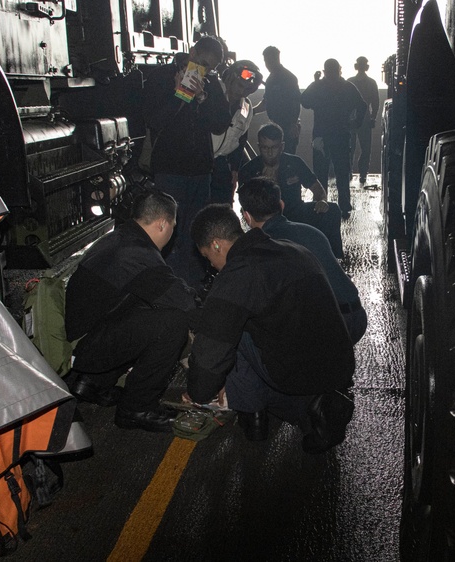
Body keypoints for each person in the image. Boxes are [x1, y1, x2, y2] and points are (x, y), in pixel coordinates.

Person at [186, 205, 355, 453]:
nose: (211, 266)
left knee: (231, 326)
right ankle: (316, 403)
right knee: (252, 320)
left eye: (207, 258)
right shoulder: (294, 250)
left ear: (216, 245)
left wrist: (199, 391)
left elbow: (212, 347)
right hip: (341, 364)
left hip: (298, 375)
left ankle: (257, 414)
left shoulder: (237, 274)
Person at [65, 190, 197, 433]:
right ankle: (138, 409)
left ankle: (92, 383)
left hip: (84, 335)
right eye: (173, 226)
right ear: (162, 224)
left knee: (149, 307)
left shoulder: (120, 237)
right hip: (83, 347)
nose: (172, 233)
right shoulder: (138, 253)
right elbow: (185, 304)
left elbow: (164, 287)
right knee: (173, 323)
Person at [142, 35, 231, 287]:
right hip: (170, 169)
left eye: (210, 67)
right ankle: (169, 287)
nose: (204, 70)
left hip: (201, 170)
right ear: (192, 52)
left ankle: (194, 286)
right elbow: (154, 120)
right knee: (167, 231)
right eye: (201, 62)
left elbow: (220, 123)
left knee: (195, 232)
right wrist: (180, 94)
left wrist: (203, 98)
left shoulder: (212, 84)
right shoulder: (161, 77)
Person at [237, 177, 367, 343]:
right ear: (281, 206)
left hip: (330, 323)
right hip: (356, 314)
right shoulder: (312, 232)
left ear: (246, 216)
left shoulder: (264, 246)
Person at [238, 123, 344, 258]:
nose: (270, 152)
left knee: (332, 210)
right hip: (265, 219)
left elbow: (317, 189)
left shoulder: (295, 163)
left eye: (274, 147)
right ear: (259, 147)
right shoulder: (249, 170)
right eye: (265, 148)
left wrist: (322, 201)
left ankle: (333, 260)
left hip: (295, 212)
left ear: (281, 146)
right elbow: (245, 206)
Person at [300, 58, 367, 219]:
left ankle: (321, 204)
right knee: (342, 173)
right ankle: (344, 206)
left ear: (325, 72)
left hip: (321, 137)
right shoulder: (347, 87)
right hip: (340, 135)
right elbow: (362, 105)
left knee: (321, 173)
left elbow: (304, 101)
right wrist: (355, 123)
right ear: (339, 70)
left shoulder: (320, 86)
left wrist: (315, 82)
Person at [209, 60, 263, 205]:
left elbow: (240, 140)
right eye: (240, 85)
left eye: (247, 90)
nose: (242, 91)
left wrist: (234, 170)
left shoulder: (247, 108)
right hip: (199, 158)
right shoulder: (213, 91)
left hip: (221, 162)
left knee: (224, 204)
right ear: (231, 78)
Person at [254, 46, 301, 154]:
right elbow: (266, 103)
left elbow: (296, 102)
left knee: (287, 158)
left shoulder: (289, 77)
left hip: (288, 126)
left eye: (270, 60)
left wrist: (293, 124)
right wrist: (252, 111)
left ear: (277, 59)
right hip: (275, 125)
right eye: (266, 61)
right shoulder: (270, 79)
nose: (267, 64)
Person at [347, 56, 381, 186]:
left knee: (350, 148)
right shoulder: (371, 82)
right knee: (365, 148)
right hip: (364, 119)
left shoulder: (349, 82)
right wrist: (373, 117)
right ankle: (362, 173)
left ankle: (350, 172)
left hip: (351, 119)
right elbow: (375, 102)